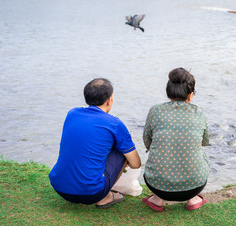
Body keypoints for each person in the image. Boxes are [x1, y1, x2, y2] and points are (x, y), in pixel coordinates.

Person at [49, 78, 141, 209]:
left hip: (60, 188)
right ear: (109, 100)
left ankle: (75, 187)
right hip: (92, 193)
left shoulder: (72, 114)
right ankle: (106, 197)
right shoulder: (114, 123)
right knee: (122, 151)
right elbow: (135, 163)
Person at [142, 68, 210, 211]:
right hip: (194, 186)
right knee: (198, 151)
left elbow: (147, 141)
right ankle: (193, 199)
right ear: (190, 95)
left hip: (157, 185)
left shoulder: (155, 111)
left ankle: (157, 199)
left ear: (169, 92)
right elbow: (204, 142)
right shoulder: (198, 113)